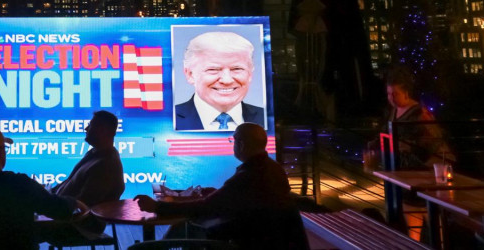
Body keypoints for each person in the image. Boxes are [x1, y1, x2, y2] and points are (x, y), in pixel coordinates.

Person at [135, 123, 300, 247]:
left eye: (233, 140)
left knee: (185, 227)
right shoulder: (271, 168)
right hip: (267, 237)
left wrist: (157, 207)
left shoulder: (248, 175)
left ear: (241, 144)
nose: (232, 144)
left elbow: (205, 207)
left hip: (245, 239)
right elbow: (238, 200)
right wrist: (217, 193)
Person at [40, 110, 124, 246]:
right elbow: (70, 185)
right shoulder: (96, 154)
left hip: (80, 227)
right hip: (69, 218)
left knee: (22, 227)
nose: (86, 128)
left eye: (90, 125)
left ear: (102, 130)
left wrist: (49, 206)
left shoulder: (105, 165)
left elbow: (82, 207)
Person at [174, 31, 264, 131]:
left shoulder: (266, 117)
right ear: (190, 74)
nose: (227, 80)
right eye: (213, 69)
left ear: (250, 74)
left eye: (237, 69)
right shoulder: (167, 120)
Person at [384, 66, 454, 168]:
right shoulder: (394, 110)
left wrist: (410, 146)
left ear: (406, 93)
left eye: (395, 94)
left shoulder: (420, 114)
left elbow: (435, 141)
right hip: (400, 165)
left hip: (420, 167)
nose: (391, 98)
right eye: (389, 94)